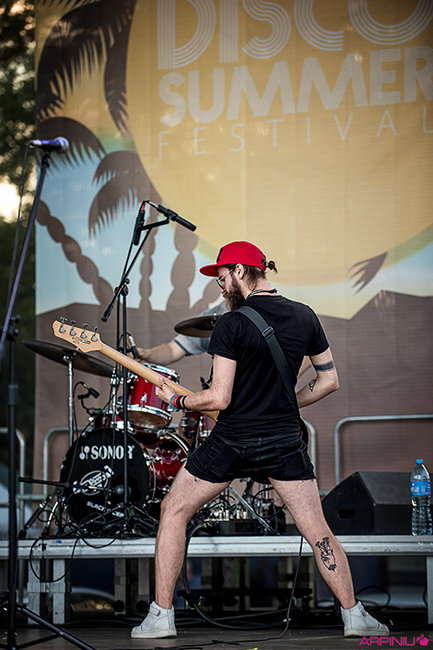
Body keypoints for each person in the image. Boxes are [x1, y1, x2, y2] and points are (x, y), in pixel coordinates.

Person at [131, 240, 389, 640]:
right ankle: (354, 615)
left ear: (240, 270)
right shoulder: (305, 316)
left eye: (222, 278)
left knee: (174, 510)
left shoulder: (230, 324)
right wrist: (285, 403)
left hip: (232, 439)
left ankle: (161, 617)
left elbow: (219, 398)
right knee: (317, 530)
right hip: (283, 440)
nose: (221, 287)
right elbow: (329, 381)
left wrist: (177, 399)